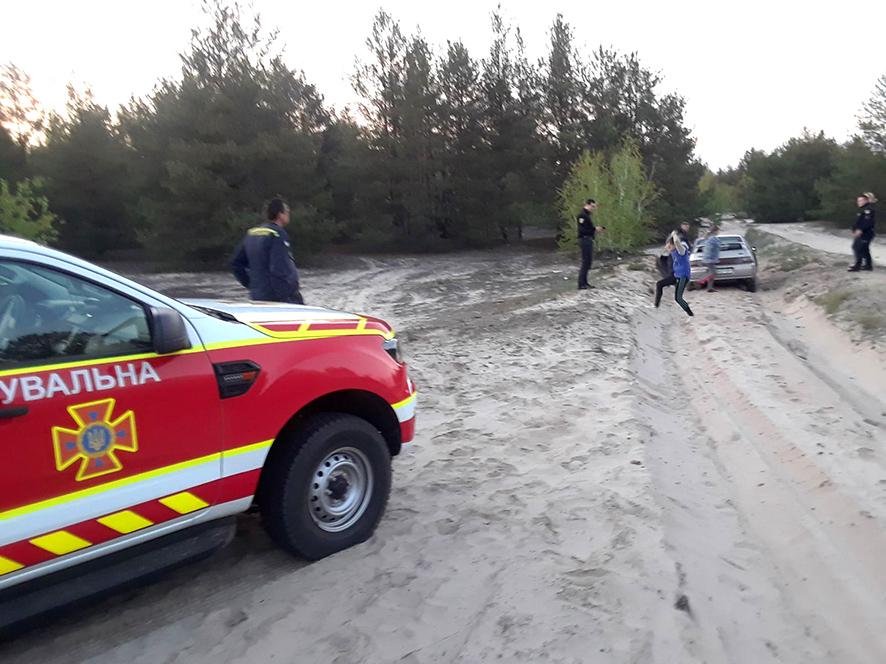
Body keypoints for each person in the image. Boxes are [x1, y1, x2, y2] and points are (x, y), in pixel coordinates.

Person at [230, 197, 304, 304]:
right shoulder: (277, 234)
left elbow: (236, 263)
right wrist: (289, 295)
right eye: (287, 212)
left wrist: (252, 285)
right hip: (279, 298)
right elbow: (280, 268)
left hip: (257, 296)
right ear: (280, 214)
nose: (289, 214)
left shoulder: (252, 233)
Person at [577, 199, 605, 290]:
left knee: (588, 261)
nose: (593, 209)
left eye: (594, 207)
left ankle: (585, 282)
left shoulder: (587, 216)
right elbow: (582, 230)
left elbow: (587, 228)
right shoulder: (582, 215)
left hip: (588, 239)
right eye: (592, 206)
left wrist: (595, 229)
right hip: (584, 239)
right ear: (587, 205)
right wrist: (594, 229)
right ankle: (581, 284)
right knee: (585, 262)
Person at [667, 231, 694, 317]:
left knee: (678, 297)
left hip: (684, 275)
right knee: (677, 298)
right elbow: (670, 244)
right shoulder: (673, 251)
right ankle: (690, 313)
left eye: (669, 246)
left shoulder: (681, 251)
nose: (667, 247)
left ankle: (690, 314)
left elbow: (676, 242)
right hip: (678, 275)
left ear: (674, 245)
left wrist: (674, 234)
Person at [849, 192, 877, 272]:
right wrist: (854, 229)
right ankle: (868, 265)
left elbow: (867, 222)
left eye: (860, 201)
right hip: (862, 233)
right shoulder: (863, 209)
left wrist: (860, 230)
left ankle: (857, 266)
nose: (858, 202)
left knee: (857, 248)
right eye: (858, 201)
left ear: (866, 201)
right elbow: (858, 221)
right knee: (864, 249)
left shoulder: (868, 210)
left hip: (865, 233)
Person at [697, 225, 721, 292]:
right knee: (713, 273)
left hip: (708, 258)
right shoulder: (713, 239)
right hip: (710, 259)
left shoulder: (708, 238)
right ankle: (699, 281)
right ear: (715, 231)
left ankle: (710, 287)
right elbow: (718, 245)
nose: (719, 232)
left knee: (711, 273)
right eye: (718, 231)